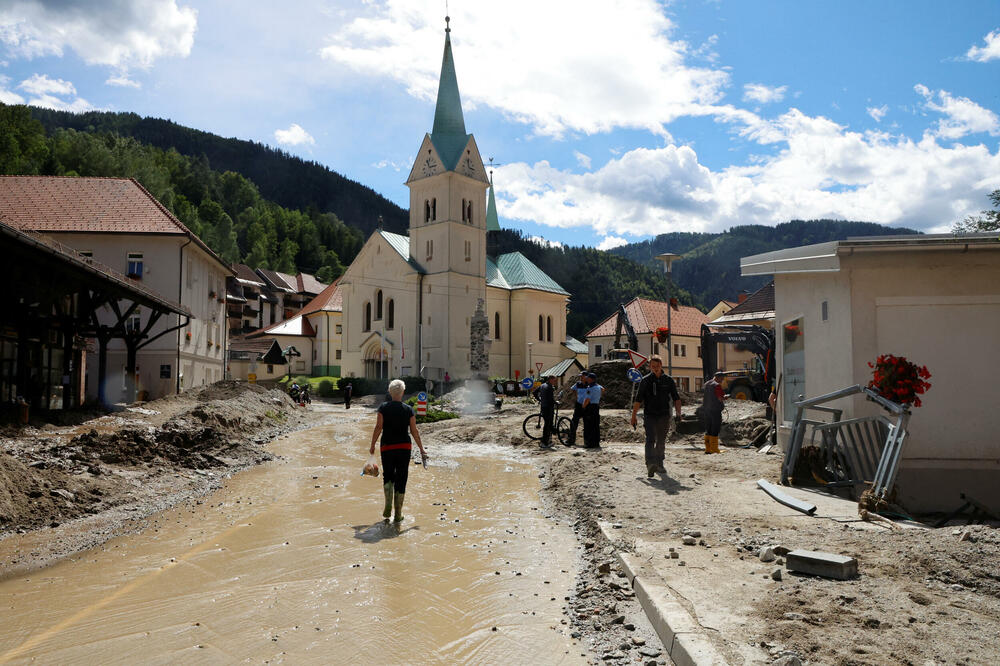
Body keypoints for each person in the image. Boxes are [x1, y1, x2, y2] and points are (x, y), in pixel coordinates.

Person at [369, 379, 427, 523]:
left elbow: (378, 427)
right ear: (403, 392)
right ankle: (398, 512)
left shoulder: (383, 408)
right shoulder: (409, 410)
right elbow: (414, 432)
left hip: (387, 446)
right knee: (402, 477)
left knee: (388, 475)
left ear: (390, 391)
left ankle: (388, 505)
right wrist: (421, 449)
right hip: (404, 447)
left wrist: (372, 445)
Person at [631, 355, 682, 477]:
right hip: (649, 415)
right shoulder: (645, 380)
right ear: (649, 366)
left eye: (657, 366)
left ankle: (659, 463)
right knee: (650, 439)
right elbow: (638, 400)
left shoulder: (668, 380)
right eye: (653, 366)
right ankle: (650, 464)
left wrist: (678, 413)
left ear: (661, 365)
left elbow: (676, 398)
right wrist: (633, 416)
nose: (655, 368)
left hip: (664, 415)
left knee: (661, 441)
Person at [702, 370, 727, 454]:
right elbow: (720, 398)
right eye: (722, 379)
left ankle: (708, 449)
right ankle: (714, 449)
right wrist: (725, 397)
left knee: (708, 429)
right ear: (718, 378)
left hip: (706, 410)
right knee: (715, 429)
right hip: (715, 410)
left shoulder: (706, 384)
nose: (722, 380)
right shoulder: (717, 386)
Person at [564, 372, 588, 447]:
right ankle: (571, 440)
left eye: (582, 376)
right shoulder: (578, 384)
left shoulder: (590, 384)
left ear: (586, 377)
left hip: (587, 406)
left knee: (587, 424)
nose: (581, 378)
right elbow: (573, 389)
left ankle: (587, 441)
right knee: (573, 423)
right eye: (580, 376)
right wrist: (576, 396)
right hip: (578, 405)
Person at [533, 374, 557, 449]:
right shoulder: (549, 387)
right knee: (547, 425)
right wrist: (555, 403)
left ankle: (549, 439)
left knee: (548, 424)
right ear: (550, 379)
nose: (555, 382)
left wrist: (539, 399)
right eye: (554, 380)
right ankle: (544, 443)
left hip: (543, 407)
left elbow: (534, 392)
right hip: (548, 408)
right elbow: (551, 399)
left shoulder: (543, 385)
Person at [582, 372, 603, 448]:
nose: (586, 378)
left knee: (588, 426)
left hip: (590, 408)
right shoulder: (598, 387)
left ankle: (589, 443)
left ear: (591, 379)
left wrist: (583, 406)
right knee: (595, 425)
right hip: (596, 407)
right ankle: (596, 442)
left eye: (588, 377)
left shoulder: (590, 388)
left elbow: (587, 399)